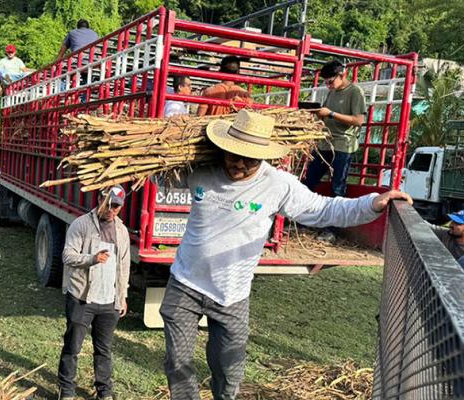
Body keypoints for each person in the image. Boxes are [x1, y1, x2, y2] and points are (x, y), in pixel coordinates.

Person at [161, 109, 412, 399]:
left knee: (228, 370)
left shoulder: (278, 184)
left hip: (232, 293)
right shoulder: (202, 170)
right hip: (186, 282)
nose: (239, 164)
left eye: (249, 158)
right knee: (177, 362)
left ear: (263, 155)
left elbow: (323, 209)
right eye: (233, 155)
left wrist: (371, 204)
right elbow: (160, 175)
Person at [57, 185, 130, 400]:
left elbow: (124, 265)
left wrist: (122, 296)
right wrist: (91, 259)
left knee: (104, 350)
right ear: (99, 199)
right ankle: (67, 391)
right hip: (82, 298)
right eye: (108, 203)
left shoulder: (122, 231)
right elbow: (67, 256)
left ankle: (104, 392)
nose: (111, 209)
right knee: (72, 347)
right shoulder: (81, 225)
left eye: (116, 206)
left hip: (109, 301)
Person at [303, 60, 367, 198]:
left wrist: (331, 114)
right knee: (309, 181)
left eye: (330, 82)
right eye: (325, 83)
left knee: (337, 186)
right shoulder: (332, 91)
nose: (328, 86)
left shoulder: (355, 92)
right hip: (325, 142)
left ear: (342, 75)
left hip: (343, 144)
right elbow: (325, 113)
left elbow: (358, 120)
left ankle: (337, 217)